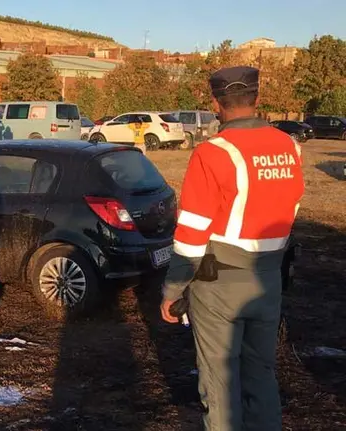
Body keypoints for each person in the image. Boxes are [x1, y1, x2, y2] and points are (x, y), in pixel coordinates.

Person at [160, 66, 305, 431]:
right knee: (261, 374)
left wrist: (173, 289)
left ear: (215, 103)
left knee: (220, 382)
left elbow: (192, 233)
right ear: (257, 99)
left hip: (219, 281)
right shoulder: (289, 146)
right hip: (269, 278)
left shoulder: (213, 153)